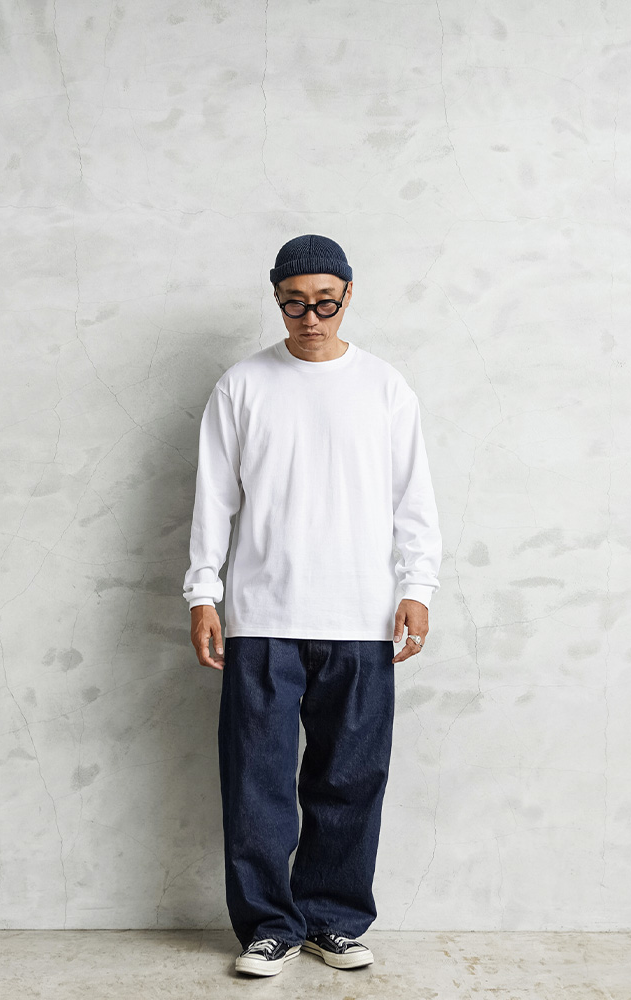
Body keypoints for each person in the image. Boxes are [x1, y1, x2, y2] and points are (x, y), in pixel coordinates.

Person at [182, 234, 442, 978]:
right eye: (294, 303)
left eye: (325, 302)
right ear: (277, 300)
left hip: (362, 616)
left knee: (350, 780)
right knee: (256, 782)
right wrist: (203, 592)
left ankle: (333, 919)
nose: (310, 318)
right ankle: (270, 926)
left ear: (348, 295)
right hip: (262, 616)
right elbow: (213, 499)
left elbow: (413, 498)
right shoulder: (243, 386)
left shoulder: (384, 386)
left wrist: (417, 588)